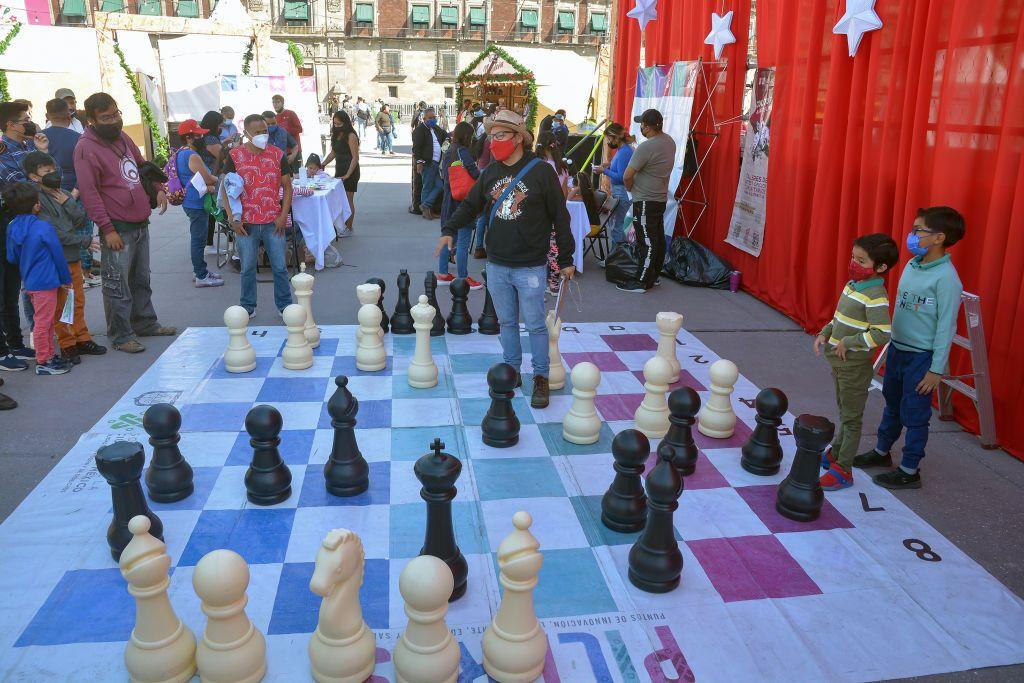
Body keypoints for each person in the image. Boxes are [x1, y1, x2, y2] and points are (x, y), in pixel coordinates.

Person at [437, 110, 575, 409]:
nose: (494, 141)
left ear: (519, 139)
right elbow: (471, 205)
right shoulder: (491, 172)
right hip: (497, 263)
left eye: (500, 135)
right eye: (492, 136)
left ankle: (540, 376)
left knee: (536, 325)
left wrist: (566, 258)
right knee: (507, 322)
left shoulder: (541, 172)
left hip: (529, 265)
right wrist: (448, 229)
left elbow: (561, 218)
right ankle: (512, 369)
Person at [854, 207, 966, 490]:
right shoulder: (911, 264)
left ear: (939, 237)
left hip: (921, 358)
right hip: (898, 351)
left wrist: (936, 369)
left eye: (919, 230)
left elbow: (946, 327)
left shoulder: (947, 279)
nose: (912, 235)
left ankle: (909, 469)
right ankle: (881, 452)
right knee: (892, 403)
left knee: (915, 414)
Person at [74, 92, 176, 353]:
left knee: (141, 279)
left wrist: (157, 188)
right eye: (106, 117)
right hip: (117, 226)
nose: (113, 121)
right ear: (92, 122)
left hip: (140, 221)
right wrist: (107, 229)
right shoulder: (86, 148)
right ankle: (120, 335)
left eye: (115, 114)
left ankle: (145, 323)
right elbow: (89, 192)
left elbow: (143, 167)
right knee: (116, 284)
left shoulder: (123, 138)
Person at [813, 234, 898, 491]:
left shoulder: (876, 296)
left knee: (851, 418)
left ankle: (843, 469)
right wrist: (825, 333)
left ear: (881, 267)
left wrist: (849, 342)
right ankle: (836, 452)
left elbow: (883, 333)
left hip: (854, 365)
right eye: (853, 257)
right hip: (838, 362)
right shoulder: (852, 285)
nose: (853, 263)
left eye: (861, 260)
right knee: (844, 411)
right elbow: (838, 319)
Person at [23, 151, 106, 365]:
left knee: (77, 300)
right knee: (61, 305)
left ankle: (82, 337)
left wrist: (67, 203)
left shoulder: (63, 193)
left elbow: (80, 219)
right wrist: (82, 241)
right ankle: (67, 342)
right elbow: (51, 232)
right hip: (54, 261)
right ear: (34, 177)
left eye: (53, 170)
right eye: (47, 171)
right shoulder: (36, 200)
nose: (53, 174)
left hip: (72, 258)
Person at [221, 113, 294, 318]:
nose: (263, 135)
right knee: (247, 268)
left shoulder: (278, 154)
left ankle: (285, 306)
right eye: (258, 132)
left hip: (273, 221)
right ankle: (247, 307)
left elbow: (288, 187)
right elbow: (226, 189)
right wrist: (232, 219)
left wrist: (283, 215)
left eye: (265, 131)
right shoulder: (235, 156)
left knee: (280, 267)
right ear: (246, 134)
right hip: (245, 224)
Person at [2, 181, 72, 374]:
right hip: (48, 281)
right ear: (36, 205)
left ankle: (47, 354)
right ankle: (44, 360)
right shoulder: (43, 227)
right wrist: (66, 278)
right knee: (44, 321)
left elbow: (11, 256)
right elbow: (58, 255)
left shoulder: (12, 226)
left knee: (43, 319)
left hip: (30, 280)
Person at [0, 100, 47, 371]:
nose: (28, 122)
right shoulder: (3, 152)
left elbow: (48, 178)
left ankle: (16, 343)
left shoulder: (29, 147)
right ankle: (4, 350)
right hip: (7, 224)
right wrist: (37, 180)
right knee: (5, 288)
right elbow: (21, 189)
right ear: (10, 124)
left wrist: (41, 152)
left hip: (26, 225)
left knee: (16, 285)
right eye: (24, 119)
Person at [620, 108, 675, 293]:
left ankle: (641, 281)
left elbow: (627, 176)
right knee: (657, 238)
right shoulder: (669, 141)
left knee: (647, 241)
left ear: (647, 127)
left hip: (644, 199)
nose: (640, 128)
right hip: (659, 199)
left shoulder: (647, 146)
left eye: (641, 124)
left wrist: (630, 189)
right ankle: (653, 276)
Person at [175, 119, 223, 288]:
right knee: (198, 239)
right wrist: (217, 179)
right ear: (189, 137)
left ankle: (200, 271)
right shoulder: (192, 155)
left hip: (191, 201)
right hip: (196, 202)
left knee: (198, 238)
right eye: (198, 135)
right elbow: (207, 177)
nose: (202, 138)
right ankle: (201, 275)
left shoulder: (180, 152)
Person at [437, 122, 481, 289]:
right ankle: (463, 277)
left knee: (447, 237)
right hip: (463, 202)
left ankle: (442, 274)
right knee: (463, 240)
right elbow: (475, 173)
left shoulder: (449, 151)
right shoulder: (463, 152)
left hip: (449, 200)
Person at [536, 130, 570, 295]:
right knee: (554, 250)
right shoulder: (562, 167)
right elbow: (564, 195)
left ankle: (538, 286)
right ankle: (554, 283)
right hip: (555, 215)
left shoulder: (537, 166)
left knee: (538, 251)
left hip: (539, 215)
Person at [593, 122, 635, 252]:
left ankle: (615, 258)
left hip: (621, 192)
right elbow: (619, 167)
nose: (609, 142)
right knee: (616, 224)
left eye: (609, 139)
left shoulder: (625, 151)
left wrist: (603, 171)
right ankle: (615, 256)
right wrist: (608, 165)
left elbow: (622, 176)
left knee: (618, 226)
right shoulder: (622, 150)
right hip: (619, 192)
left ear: (615, 137)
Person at [322, 111, 360, 236]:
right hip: (340, 170)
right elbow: (333, 153)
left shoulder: (351, 136)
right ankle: (342, 225)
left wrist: (348, 174)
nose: (337, 126)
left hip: (350, 171)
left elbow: (355, 158)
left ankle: (349, 227)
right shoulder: (337, 135)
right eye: (335, 124)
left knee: (348, 201)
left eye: (339, 124)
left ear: (346, 122)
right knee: (339, 200)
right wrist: (323, 164)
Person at [412, 107, 448, 220]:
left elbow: (445, 135)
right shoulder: (419, 130)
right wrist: (419, 162)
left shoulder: (435, 128)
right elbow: (416, 149)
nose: (433, 119)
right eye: (430, 118)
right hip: (428, 163)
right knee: (427, 187)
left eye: (434, 117)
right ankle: (425, 210)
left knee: (439, 186)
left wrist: (447, 141)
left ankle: (425, 205)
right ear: (424, 118)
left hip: (435, 163)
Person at [272, 94, 303, 171]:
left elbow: (299, 129)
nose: (275, 105)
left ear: (282, 103)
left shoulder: (291, 113)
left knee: (298, 176)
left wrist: (285, 131)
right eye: (273, 103)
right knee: (287, 178)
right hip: (283, 153)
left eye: (277, 102)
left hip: (295, 151)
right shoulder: (274, 117)